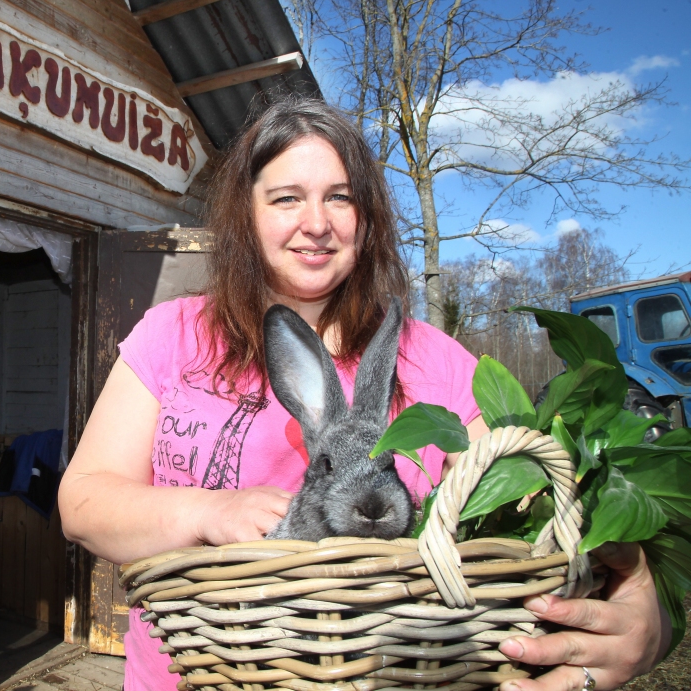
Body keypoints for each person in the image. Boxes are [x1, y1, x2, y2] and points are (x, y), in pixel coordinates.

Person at [58, 97, 670, 691]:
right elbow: (82, 504)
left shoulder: (434, 360)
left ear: (368, 216)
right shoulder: (176, 335)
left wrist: (645, 606)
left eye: (341, 197)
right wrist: (208, 512)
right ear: (246, 212)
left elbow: (530, 508)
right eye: (286, 197)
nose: (317, 223)